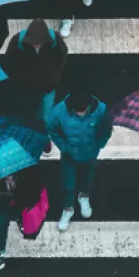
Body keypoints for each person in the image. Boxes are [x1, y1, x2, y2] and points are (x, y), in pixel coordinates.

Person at [48, 87, 112, 231]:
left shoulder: (101, 110)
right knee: (68, 183)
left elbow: (107, 127)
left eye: (83, 110)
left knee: (88, 178)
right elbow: (52, 129)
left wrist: (100, 144)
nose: (81, 114)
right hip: (69, 155)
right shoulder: (59, 111)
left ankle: (83, 196)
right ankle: (68, 208)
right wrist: (64, 147)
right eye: (77, 111)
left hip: (90, 154)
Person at [4, 18, 68, 153]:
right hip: (26, 87)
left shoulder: (55, 40)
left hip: (47, 87)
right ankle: (29, 137)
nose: (37, 46)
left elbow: (62, 56)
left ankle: (44, 138)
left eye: (40, 44)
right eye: (35, 44)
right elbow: (9, 61)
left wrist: (55, 76)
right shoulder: (18, 41)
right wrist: (19, 78)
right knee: (27, 113)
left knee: (45, 116)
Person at [0, 165, 45, 274]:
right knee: (0, 219)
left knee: (28, 214)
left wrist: (17, 189)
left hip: (22, 197)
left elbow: (34, 189)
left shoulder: (27, 168)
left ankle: (21, 218)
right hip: (2, 201)